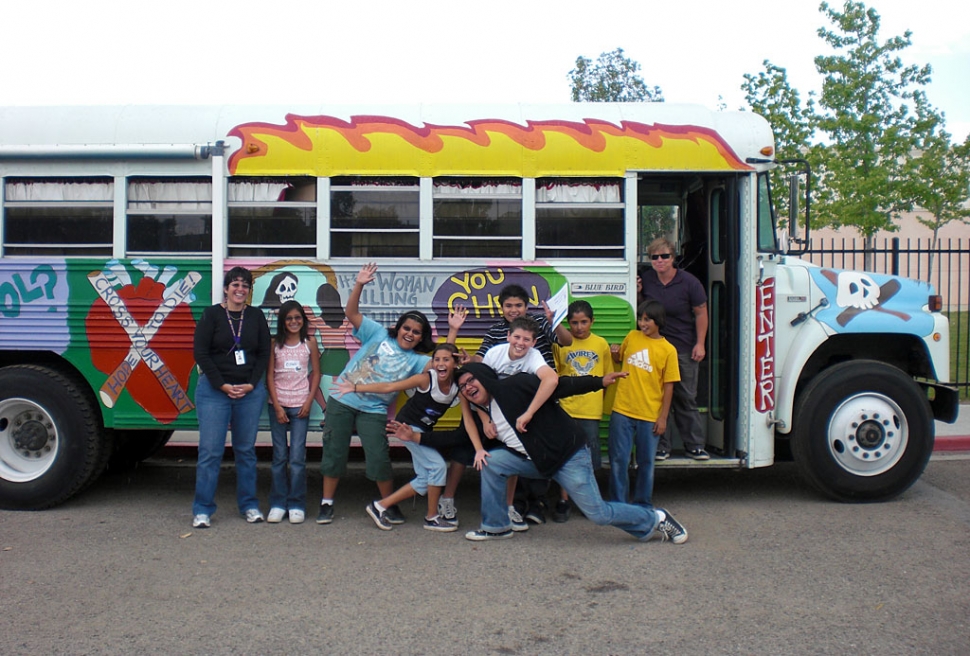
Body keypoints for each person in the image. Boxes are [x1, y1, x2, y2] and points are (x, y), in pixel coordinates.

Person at [396, 363, 688, 544]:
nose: (468, 387)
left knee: (598, 514)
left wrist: (598, 381)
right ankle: (496, 527)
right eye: (463, 387)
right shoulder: (481, 411)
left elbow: (560, 386)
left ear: (485, 378)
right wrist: (416, 437)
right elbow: (458, 438)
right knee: (491, 461)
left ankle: (655, 519)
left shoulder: (516, 385)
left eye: (472, 380)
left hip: (568, 456)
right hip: (536, 461)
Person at [439, 283, 571, 526]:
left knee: (533, 450)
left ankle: (535, 504)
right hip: (498, 404)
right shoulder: (496, 332)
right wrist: (471, 362)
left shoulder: (540, 325)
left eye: (518, 305)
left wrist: (556, 321)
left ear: (526, 307)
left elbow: (566, 341)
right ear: (502, 309)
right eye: (508, 306)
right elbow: (483, 359)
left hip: (535, 400)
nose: (513, 310)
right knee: (490, 447)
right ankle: (458, 500)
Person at [317, 263, 435, 526]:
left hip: (374, 409)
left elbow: (441, 364)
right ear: (399, 327)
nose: (410, 334)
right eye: (407, 328)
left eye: (416, 332)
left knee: (379, 456)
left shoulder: (417, 360)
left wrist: (452, 331)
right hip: (342, 400)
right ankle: (326, 503)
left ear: (420, 338)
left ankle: (388, 505)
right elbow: (350, 312)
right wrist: (359, 283)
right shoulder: (378, 333)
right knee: (334, 451)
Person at [333, 342, 488, 532]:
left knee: (424, 478)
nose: (441, 363)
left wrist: (479, 447)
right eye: (436, 359)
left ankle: (379, 506)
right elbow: (391, 386)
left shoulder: (458, 385)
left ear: (455, 364)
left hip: (423, 431)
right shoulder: (425, 379)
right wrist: (356, 388)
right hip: (406, 427)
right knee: (437, 467)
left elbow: (469, 421)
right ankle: (431, 517)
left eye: (446, 360)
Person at [191, 266, 271, 528]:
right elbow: (200, 353)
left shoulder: (256, 316)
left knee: (245, 451)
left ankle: (249, 505)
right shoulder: (212, 315)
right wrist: (222, 385)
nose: (240, 289)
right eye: (235, 284)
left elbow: (263, 354)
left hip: (249, 392)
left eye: (245, 285)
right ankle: (202, 509)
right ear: (226, 289)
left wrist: (251, 384)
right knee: (210, 452)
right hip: (215, 392)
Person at [480, 315, 559, 531]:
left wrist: (529, 413)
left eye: (526, 339)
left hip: (520, 417)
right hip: (494, 416)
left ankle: (509, 506)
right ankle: (494, 516)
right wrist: (486, 419)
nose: (520, 343)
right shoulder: (493, 354)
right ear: (508, 336)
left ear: (534, 342)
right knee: (491, 463)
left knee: (513, 458)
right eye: (516, 337)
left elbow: (551, 379)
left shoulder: (534, 356)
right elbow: (480, 390)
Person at [640, 237, 710, 461]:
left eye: (665, 256)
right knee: (658, 398)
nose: (660, 261)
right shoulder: (648, 281)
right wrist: (638, 291)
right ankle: (662, 446)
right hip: (655, 348)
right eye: (655, 257)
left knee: (685, 397)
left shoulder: (689, 282)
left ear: (673, 258)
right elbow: (643, 310)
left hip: (682, 347)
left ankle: (694, 446)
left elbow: (701, 313)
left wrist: (700, 343)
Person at [608, 300, 679, 508]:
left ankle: (642, 504)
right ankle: (618, 503)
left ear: (659, 321)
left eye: (647, 319)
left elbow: (669, 387)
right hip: (622, 409)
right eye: (640, 318)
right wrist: (614, 352)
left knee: (646, 463)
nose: (642, 323)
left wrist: (663, 418)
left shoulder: (668, 350)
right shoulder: (632, 337)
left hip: (649, 415)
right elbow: (619, 357)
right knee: (618, 460)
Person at [552, 300, 613, 522]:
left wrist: (601, 405)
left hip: (590, 410)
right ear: (568, 323)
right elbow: (555, 376)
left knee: (589, 456)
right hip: (566, 407)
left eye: (584, 322)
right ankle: (563, 500)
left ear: (592, 321)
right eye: (574, 322)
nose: (579, 327)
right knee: (566, 455)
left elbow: (606, 378)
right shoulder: (561, 343)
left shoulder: (601, 344)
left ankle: (589, 500)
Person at [266, 300, 321, 525]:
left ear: (303, 320)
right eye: (289, 318)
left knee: (297, 457)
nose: (294, 322)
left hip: (300, 405)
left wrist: (308, 402)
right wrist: (277, 406)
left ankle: (296, 503)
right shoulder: (275, 344)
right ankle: (278, 503)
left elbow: (316, 373)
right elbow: (269, 375)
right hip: (277, 404)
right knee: (279, 456)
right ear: (282, 322)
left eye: (298, 318)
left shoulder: (310, 342)